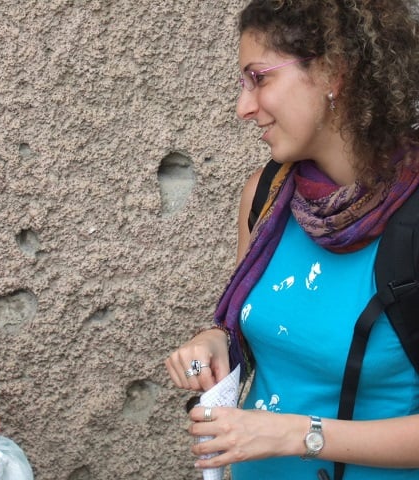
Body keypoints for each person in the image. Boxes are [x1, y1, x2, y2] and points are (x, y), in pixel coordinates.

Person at [165, 0, 419, 479]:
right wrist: (217, 341)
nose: (243, 107)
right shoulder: (266, 195)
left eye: (259, 78)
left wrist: (293, 434)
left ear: (332, 73)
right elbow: (256, 327)